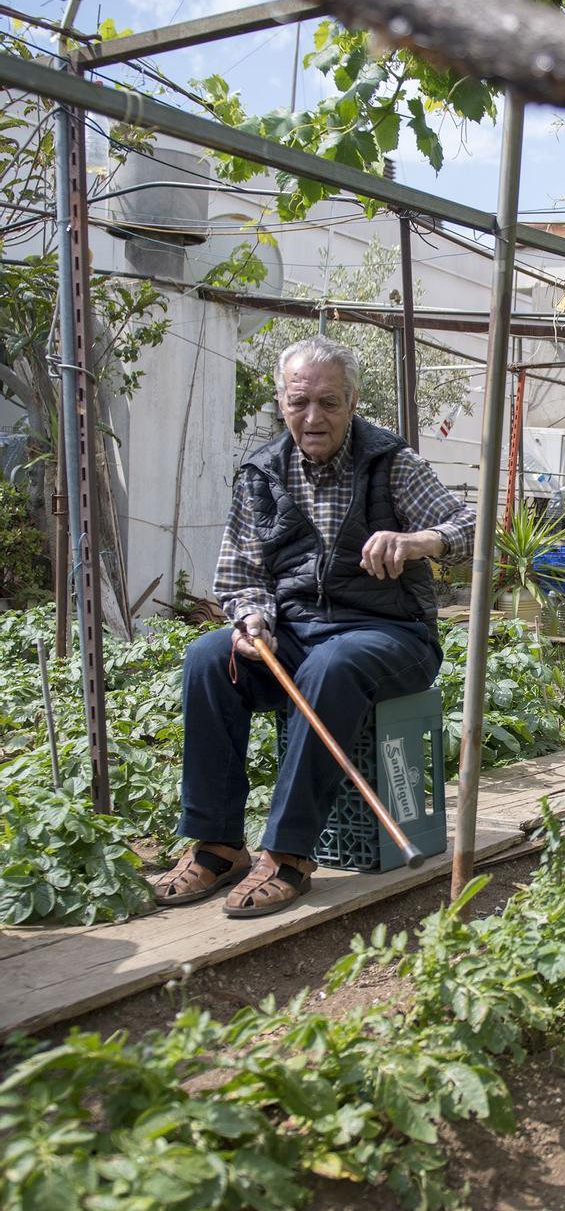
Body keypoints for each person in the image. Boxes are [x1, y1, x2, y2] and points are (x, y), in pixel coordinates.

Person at [153, 336, 475, 918]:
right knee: (208, 657)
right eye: (300, 402)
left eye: (329, 402)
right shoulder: (260, 473)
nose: (313, 417)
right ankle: (218, 843)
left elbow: (472, 525)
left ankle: (290, 854)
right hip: (297, 632)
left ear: (352, 401)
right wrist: (254, 618)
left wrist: (419, 540)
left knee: (335, 663)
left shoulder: (390, 463)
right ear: (282, 402)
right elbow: (241, 572)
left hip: (391, 634)